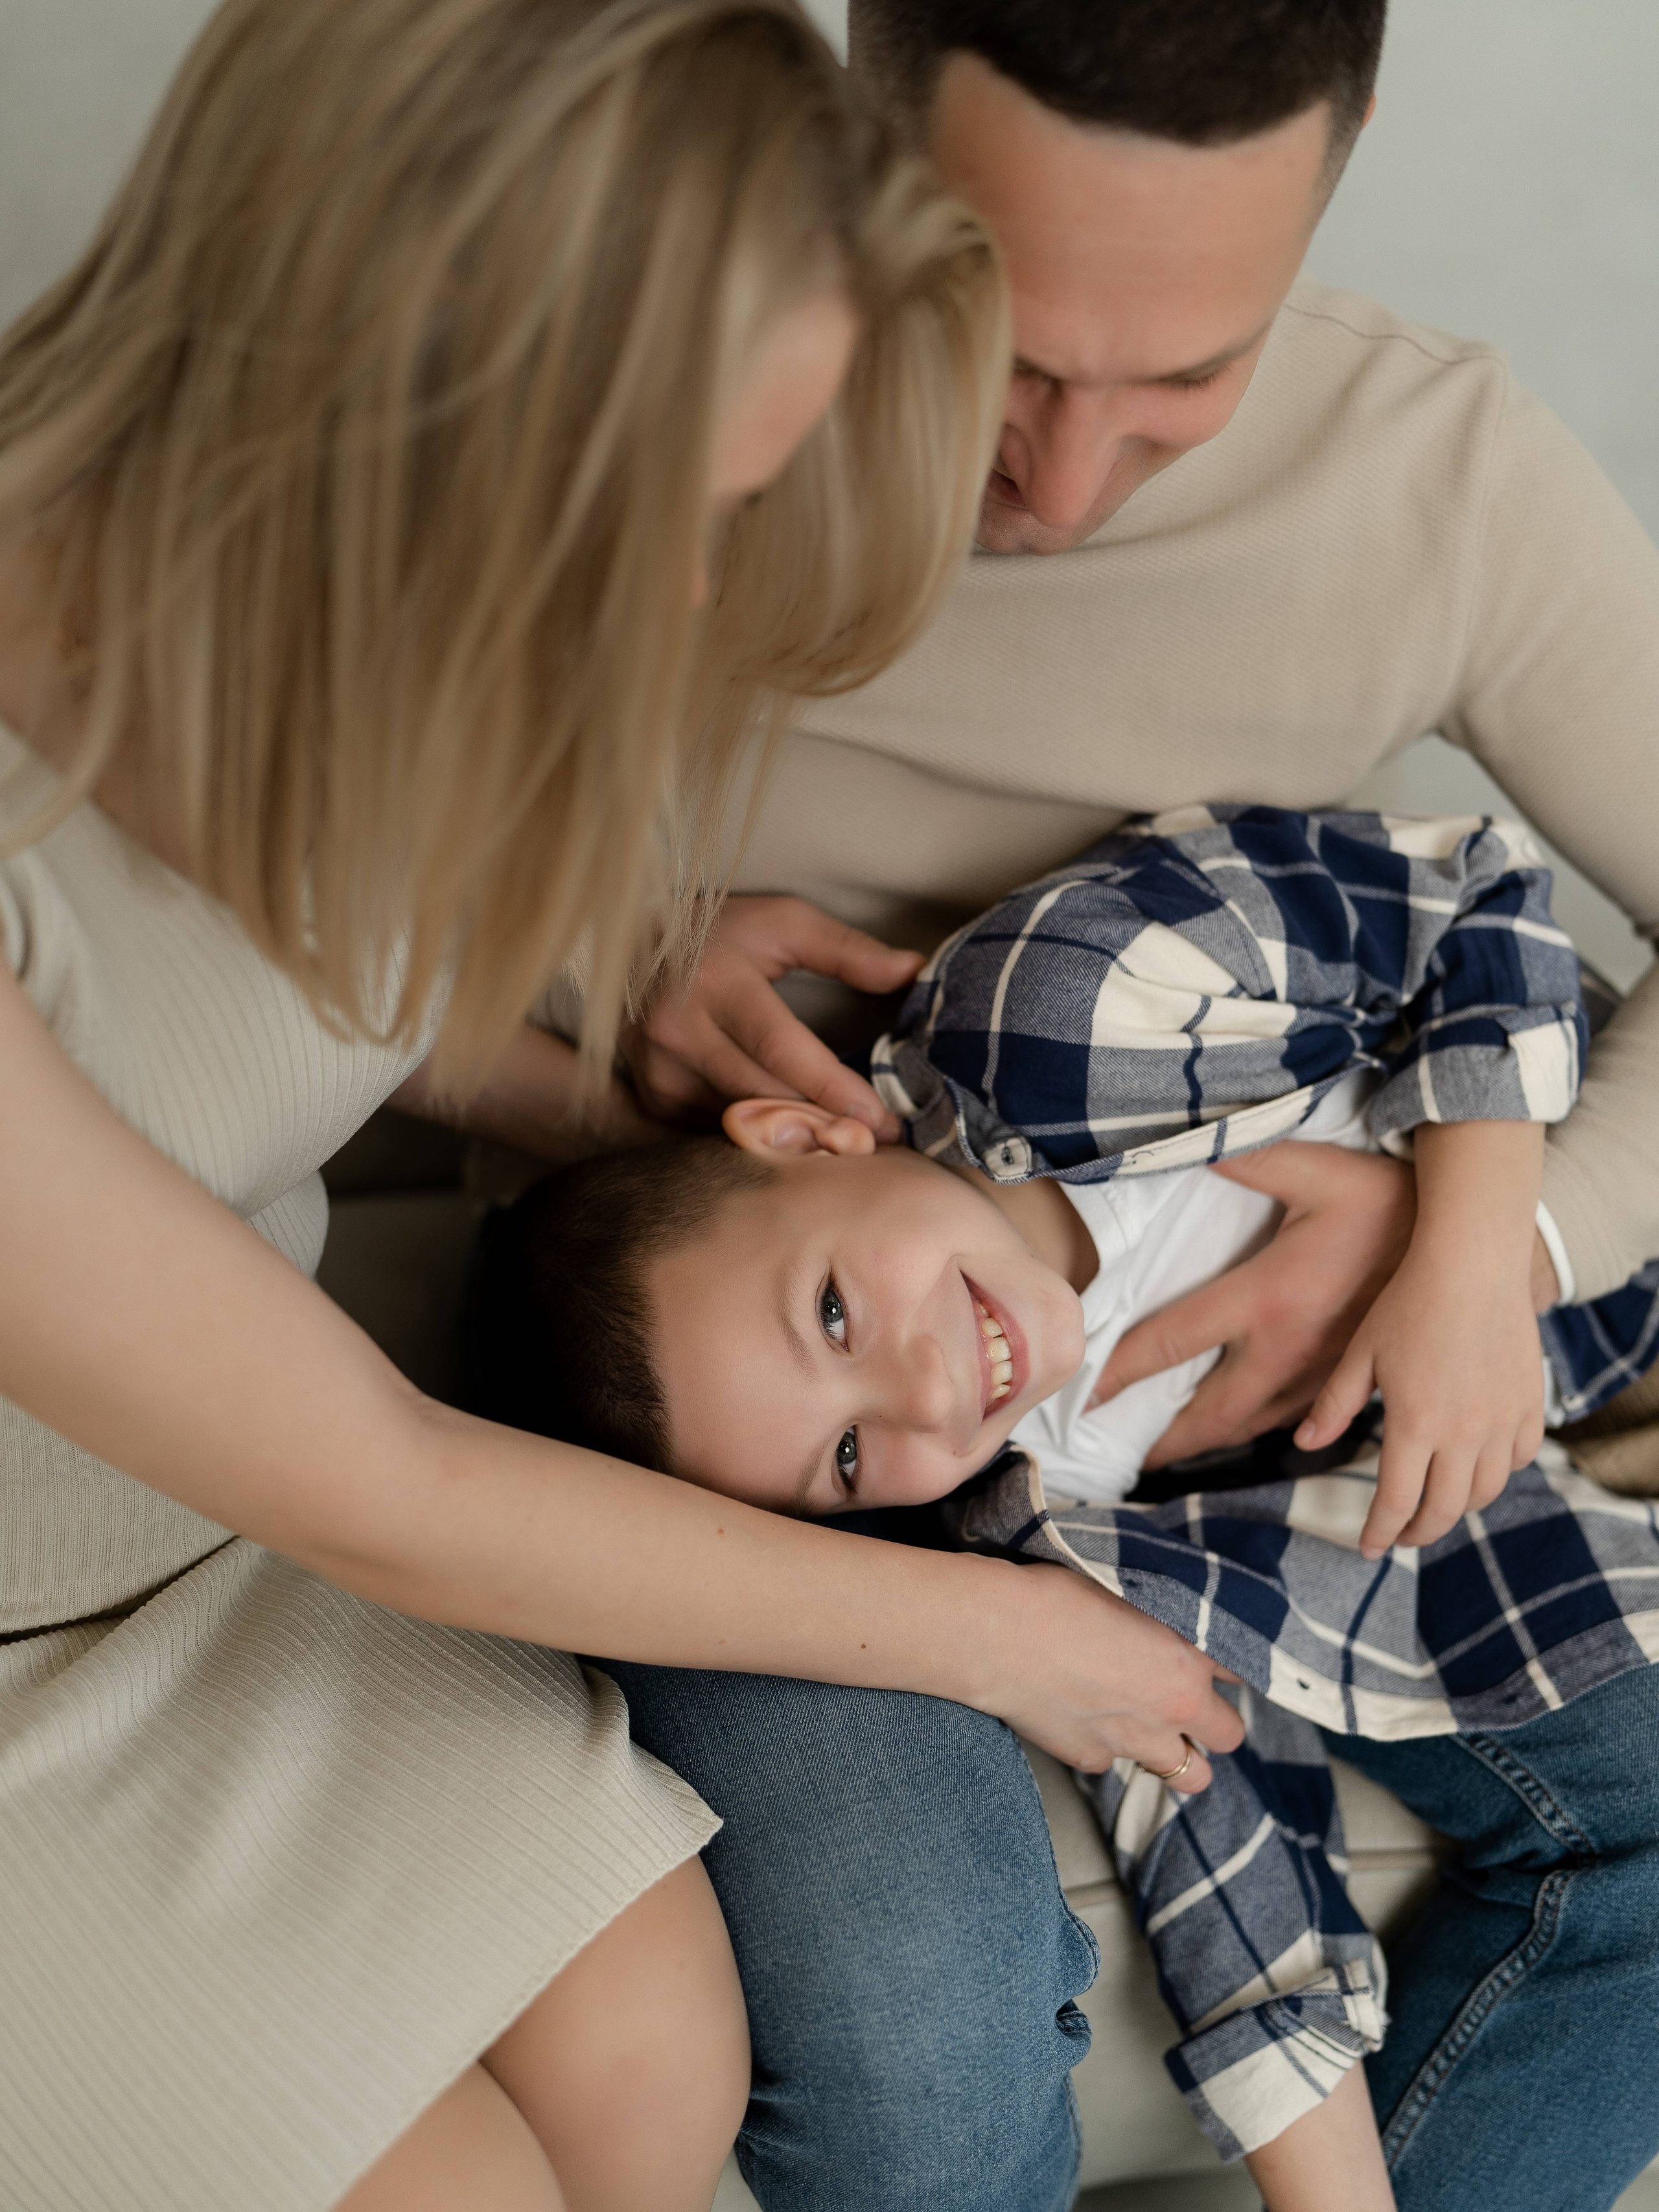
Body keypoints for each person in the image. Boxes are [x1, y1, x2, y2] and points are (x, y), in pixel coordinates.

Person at [0, 2, 1101, 2206]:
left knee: (656, 2067)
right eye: (689, 503)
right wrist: (1010, 1633)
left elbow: (184, 1031)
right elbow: (387, 1478)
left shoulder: (297, 639)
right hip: (122, 1574)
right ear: (426, 381)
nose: (690, 590)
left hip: (196, 1537)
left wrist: (624, 1099)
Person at [604, 6, 1659, 2209]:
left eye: (1187, 382)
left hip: (1244, 1426)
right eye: (998, 347)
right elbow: (311, 933)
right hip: (715, 1398)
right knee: (917, 2038)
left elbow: (1483, 916)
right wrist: (598, 983)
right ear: (859, 121)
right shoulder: (648, 396)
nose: (1067, 492)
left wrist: (1495, 1232)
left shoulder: (1440, 477)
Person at [470, 802, 1656, 2212]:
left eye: (836, 1311)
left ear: (806, 1138)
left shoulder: (1064, 1007)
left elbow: (1472, 890)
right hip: (1522, 1426)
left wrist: (1474, 1260)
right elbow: (1208, 1783)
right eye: (848, 1462)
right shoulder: (1039, 1507)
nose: (920, 1396)